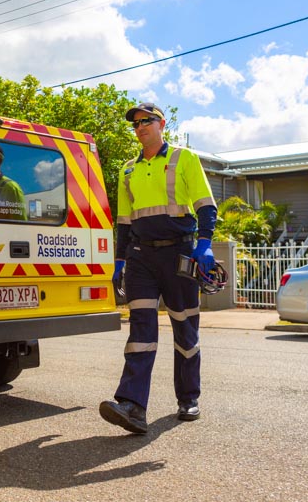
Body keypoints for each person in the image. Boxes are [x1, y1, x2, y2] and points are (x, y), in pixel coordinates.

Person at [100, 102, 217, 434]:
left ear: (161, 123)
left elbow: (206, 205)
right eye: (135, 124)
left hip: (179, 255)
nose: (140, 128)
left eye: (145, 121)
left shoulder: (183, 158)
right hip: (140, 259)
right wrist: (120, 261)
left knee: (185, 329)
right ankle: (132, 406)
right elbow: (124, 221)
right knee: (141, 331)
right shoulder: (127, 170)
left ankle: (188, 398)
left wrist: (204, 244)